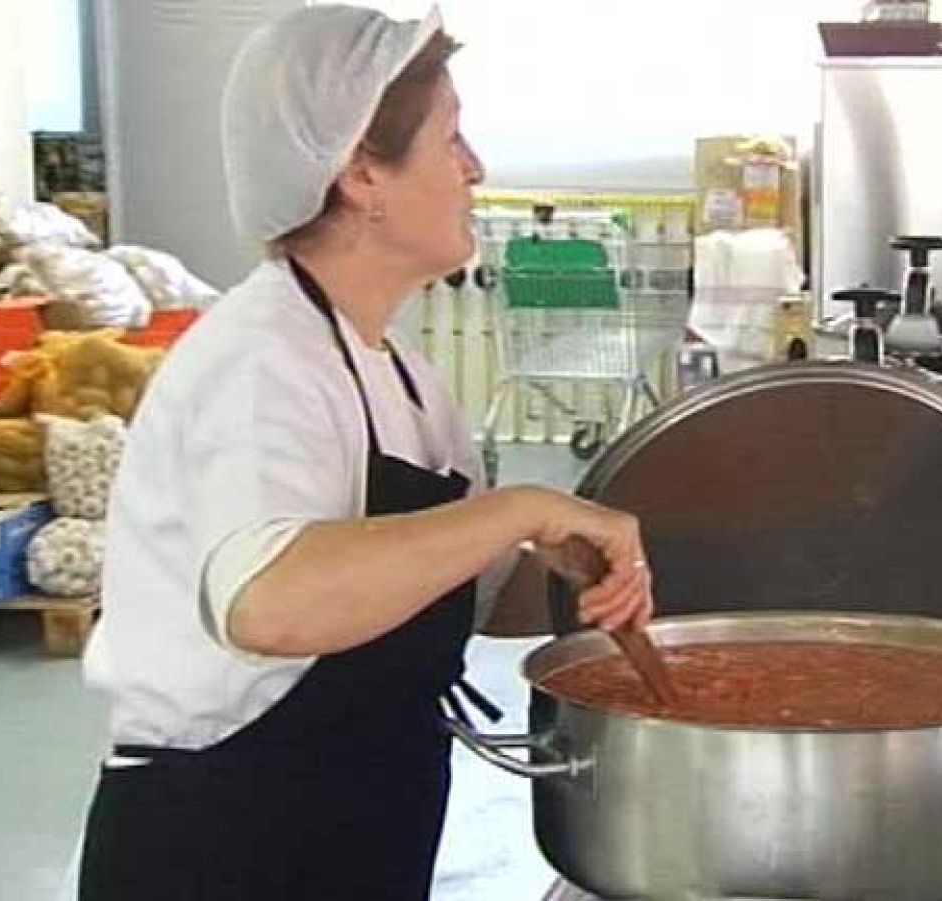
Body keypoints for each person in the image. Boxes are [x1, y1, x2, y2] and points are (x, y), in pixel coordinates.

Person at [74, 6, 653, 899]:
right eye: (451, 139)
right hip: (228, 839)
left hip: (362, 817)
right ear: (359, 176)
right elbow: (271, 602)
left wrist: (578, 570)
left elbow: (459, 592)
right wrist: (519, 508)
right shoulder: (262, 360)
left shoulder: (404, 372)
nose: (476, 169)